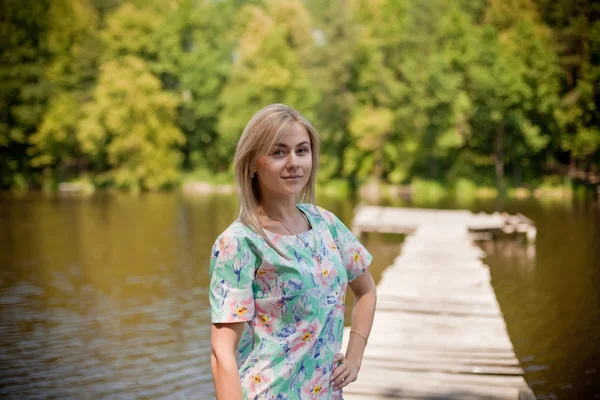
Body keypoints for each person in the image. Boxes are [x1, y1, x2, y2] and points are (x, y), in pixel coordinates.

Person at [209, 104, 377, 400]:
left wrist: (354, 358)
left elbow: (365, 290)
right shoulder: (239, 242)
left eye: (302, 150)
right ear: (252, 163)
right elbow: (222, 352)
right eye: (278, 152)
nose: (294, 162)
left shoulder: (326, 223)